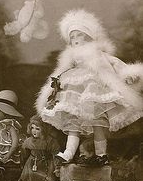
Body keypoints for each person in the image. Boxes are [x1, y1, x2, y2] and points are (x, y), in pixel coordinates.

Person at [36, 9, 143, 165]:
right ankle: (68, 153)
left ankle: (101, 154)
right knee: (73, 121)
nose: (75, 39)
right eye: (72, 37)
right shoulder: (69, 59)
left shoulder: (97, 53)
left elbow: (114, 64)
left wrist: (128, 75)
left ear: (87, 36)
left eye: (79, 34)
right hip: (74, 92)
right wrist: (53, 88)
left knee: (97, 121)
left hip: (94, 89)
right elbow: (60, 73)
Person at [19, 115, 60, 181]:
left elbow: (55, 155)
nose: (34, 131)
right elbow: (24, 154)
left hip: (45, 168)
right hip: (32, 169)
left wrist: (54, 168)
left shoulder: (50, 141)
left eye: (37, 129)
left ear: (44, 129)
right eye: (32, 128)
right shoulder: (28, 141)